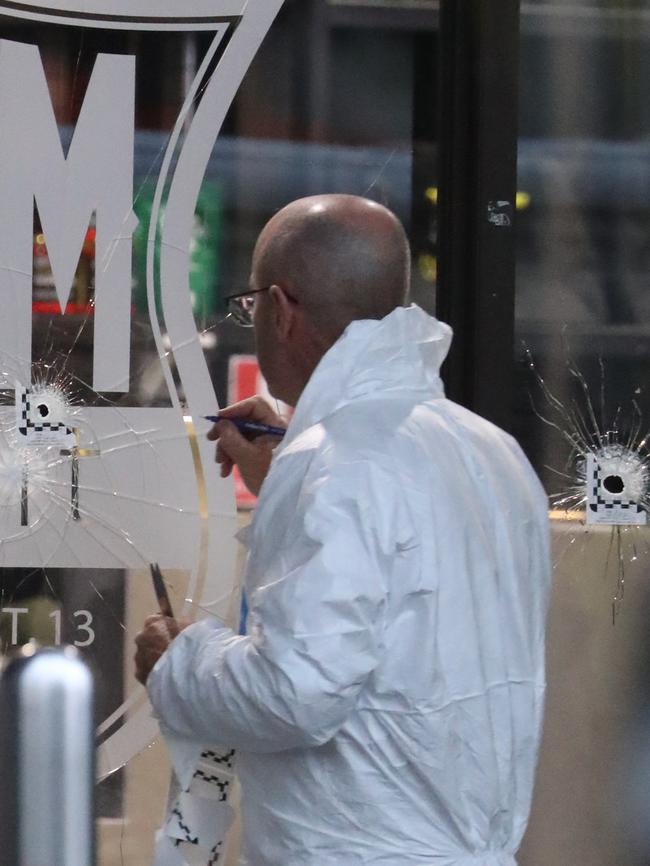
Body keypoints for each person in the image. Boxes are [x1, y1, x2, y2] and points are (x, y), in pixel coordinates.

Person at [135, 194, 551, 866]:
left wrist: (178, 663)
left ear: (281, 307)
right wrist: (286, 469)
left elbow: (297, 693)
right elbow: (403, 596)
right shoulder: (491, 453)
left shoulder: (334, 461)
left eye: (250, 307)